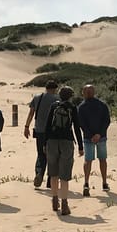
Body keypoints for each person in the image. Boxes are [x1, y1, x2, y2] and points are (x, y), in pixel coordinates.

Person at [42, 86, 84, 216]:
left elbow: (47, 125)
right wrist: (80, 146)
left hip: (52, 141)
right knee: (64, 175)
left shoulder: (54, 106)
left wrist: (44, 142)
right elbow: (77, 127)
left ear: (59, 95)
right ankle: (64, 204)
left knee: (53, 173)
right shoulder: (72, 108)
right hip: (66, 141)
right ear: (70, 96)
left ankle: (55, 201)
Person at [23, 79, 59, 189]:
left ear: (46, 88)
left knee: (40, 153)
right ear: (54, 89)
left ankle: (39, 173)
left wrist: (26, 126)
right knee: (52, 155)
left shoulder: (37, 97)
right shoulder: (57, 99)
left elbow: (31, 113)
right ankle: (50, 180)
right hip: (52, 132)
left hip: (39, 130)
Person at [77, 84, 111, 196]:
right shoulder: (102, 105)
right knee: (102, 159)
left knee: (88, 160)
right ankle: (104, 182)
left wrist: (91, 135)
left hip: (89, 137)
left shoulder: (81, 107)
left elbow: (81, 124)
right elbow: (106, 121)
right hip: (100, 137)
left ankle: (86, 183)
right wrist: (99, 134)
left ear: (84, 93)